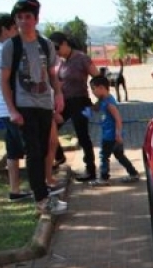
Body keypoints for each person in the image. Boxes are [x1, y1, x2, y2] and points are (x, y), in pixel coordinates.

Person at [0, 0, 67, 216]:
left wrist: (58, 94)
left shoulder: (46, 44)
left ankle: (43, 193)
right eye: (19, 17)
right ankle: (41, 200)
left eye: (28, 17)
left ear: (36, 19)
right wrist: (12, 110)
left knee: (46, 148)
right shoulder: (12, 46)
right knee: (34, 152)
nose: (24, 21)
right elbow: (4, 80)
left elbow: (53, 74)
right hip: (24, 105)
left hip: (44, 104)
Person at [0, 12, 30, 202]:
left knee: (13, 152)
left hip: (4, 109)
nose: (17, 30)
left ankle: (15, 190)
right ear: (4, 29)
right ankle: (41, 188)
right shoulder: (4, 50)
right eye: (14, 27)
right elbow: (9, 81)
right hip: (12, 108)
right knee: (31, 148)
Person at [48, 32, 99, 183]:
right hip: (63, 102)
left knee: (83, 136)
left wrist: (101, 100)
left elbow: (97, 77)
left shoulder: (81, 58)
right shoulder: (58, 61)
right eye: (52, 49)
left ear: (65, 43)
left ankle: (90, 170)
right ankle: (59, 156)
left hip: (81, 101)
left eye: (57, 47)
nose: (55, 51)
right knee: (50, 129)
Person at [88, 75, 141, 185]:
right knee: (120, 156)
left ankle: (103, 178)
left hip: (110, 136)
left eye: (93, 88)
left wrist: (118, 134)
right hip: (111, 134)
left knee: (104, 156)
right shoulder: (104, 99)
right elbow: (96, 108)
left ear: (102, 88)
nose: (92, 91)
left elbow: (118, 119)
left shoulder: (109, 103)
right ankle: (133, 173)